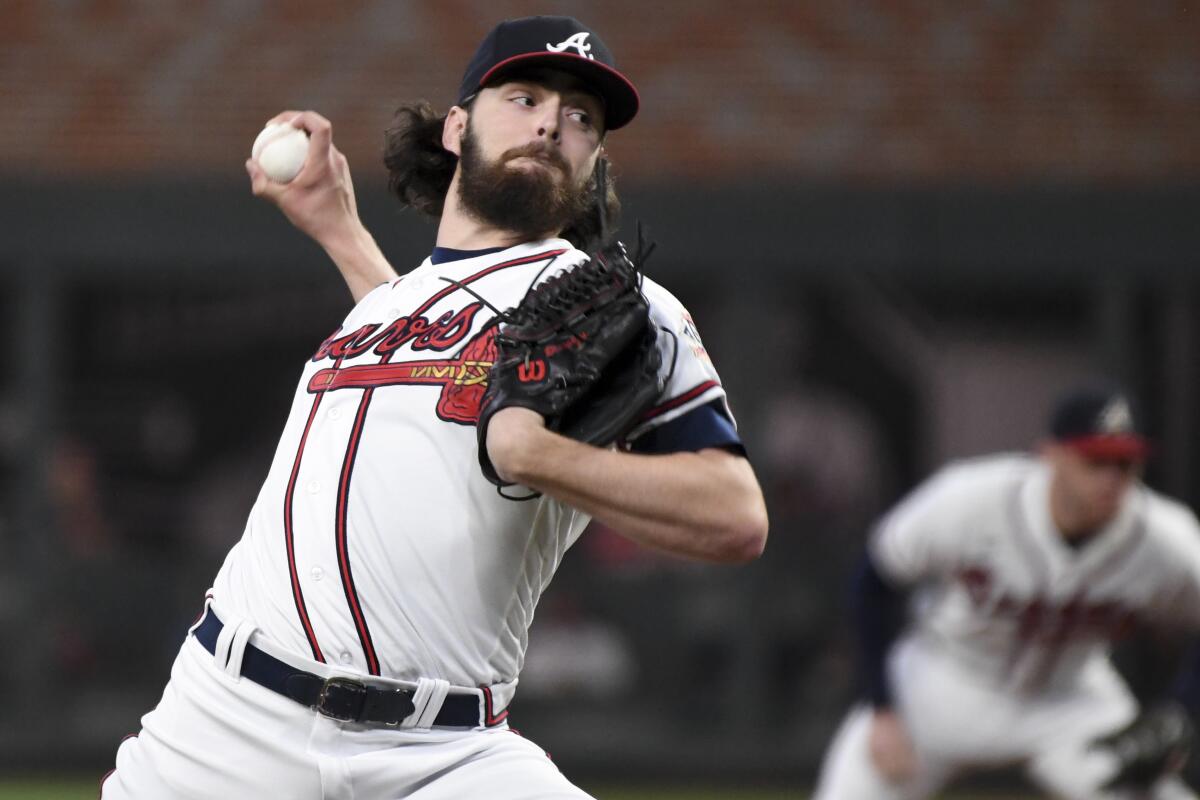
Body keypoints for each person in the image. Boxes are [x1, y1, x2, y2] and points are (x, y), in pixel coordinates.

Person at [100, 15, 768, 799]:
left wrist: (539, 454)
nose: (553, 121)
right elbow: (423, 349)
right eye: (523, 97)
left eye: (583, 117)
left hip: (442, 752)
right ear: (456, 128)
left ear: (594, 162)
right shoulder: (388, 305)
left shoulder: (617, 310)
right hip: (224, 720)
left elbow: (736, 515)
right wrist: (338, 228)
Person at [813, 385, 1200, 799]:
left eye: (1125, 464)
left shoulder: (1165, 540)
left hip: (1070, 700)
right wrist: (881, 703)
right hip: (945, 682)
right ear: (1051, 454)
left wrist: (1181, 708)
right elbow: (874, 578)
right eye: (1096, 460)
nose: (1111, 478)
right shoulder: (973, 499)